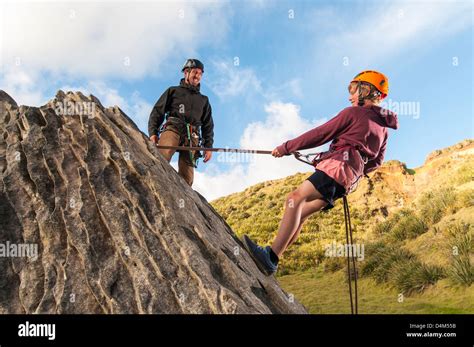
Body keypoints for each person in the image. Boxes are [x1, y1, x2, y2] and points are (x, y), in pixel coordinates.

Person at [242, 70, 399, 276]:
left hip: (336, 168)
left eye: (353, 90)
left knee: (294, 198)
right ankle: (274, 257)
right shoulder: (383, 128)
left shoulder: (353, 113)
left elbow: (321, 134)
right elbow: (377, 161)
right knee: (303, 211)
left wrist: (286, 147)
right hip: (348, 180)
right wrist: (355, 168)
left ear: (366, 90)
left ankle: (270, 258)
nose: (350, 96)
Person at [148, 59, 214, 186]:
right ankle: (153, 184)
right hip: (173, 128)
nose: (198, 76)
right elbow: (157, 112)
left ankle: (179, 200)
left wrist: (208, 146)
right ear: (186, 72)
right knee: (162, 157)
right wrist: (153, 133)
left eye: (200, 74)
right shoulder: (173, 91)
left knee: (187, 178)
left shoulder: (203, 100)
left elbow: (208, 125)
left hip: (192, 135)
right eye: (195, 72)